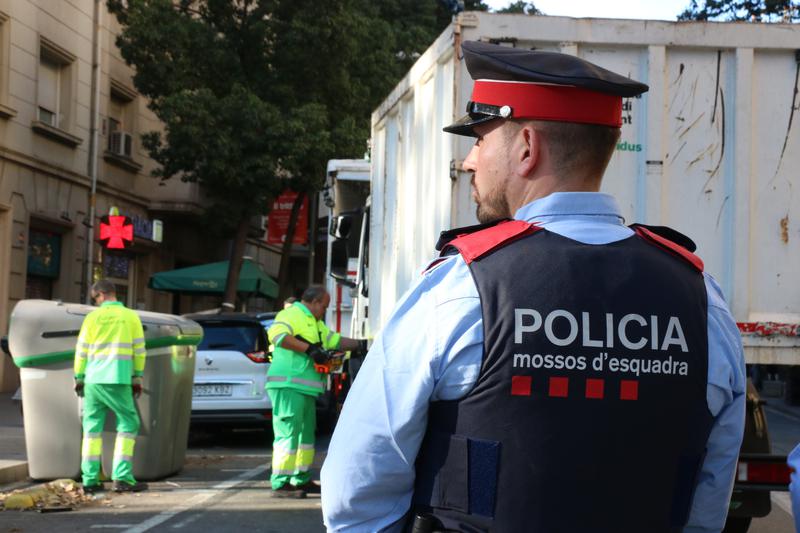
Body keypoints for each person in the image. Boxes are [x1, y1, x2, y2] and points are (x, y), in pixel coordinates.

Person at [321, 41, 746, 532]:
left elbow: (358, 490)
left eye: (480, 140)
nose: (469, 162)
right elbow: (707, 498)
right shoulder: (702, 301)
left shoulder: (461, 289)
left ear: (526, 147)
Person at [266, 285, 366, 499]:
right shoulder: (291, 313)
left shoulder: (315, 324)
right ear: (314, 302)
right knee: (288, 434)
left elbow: (335, 340)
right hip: (288, 384)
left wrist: (362, 345)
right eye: (324, 306)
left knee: (305, 436)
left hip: (302, 387)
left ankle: (300, 479)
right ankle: (281, 483)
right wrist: (310, 349)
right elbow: (277, 336)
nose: (325, 310)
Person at [74, 279, 147, 494]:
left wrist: (79, 376)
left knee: (91, 429)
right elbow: (139, 350)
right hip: (118, 378)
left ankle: (89, 480)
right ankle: (122, 477)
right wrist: (137, 377)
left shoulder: (92, 318)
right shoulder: (130, 317)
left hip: (93, 380)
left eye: (95, 298)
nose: (96, 303)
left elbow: (82, 350)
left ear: (103, 295)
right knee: (128, 423)